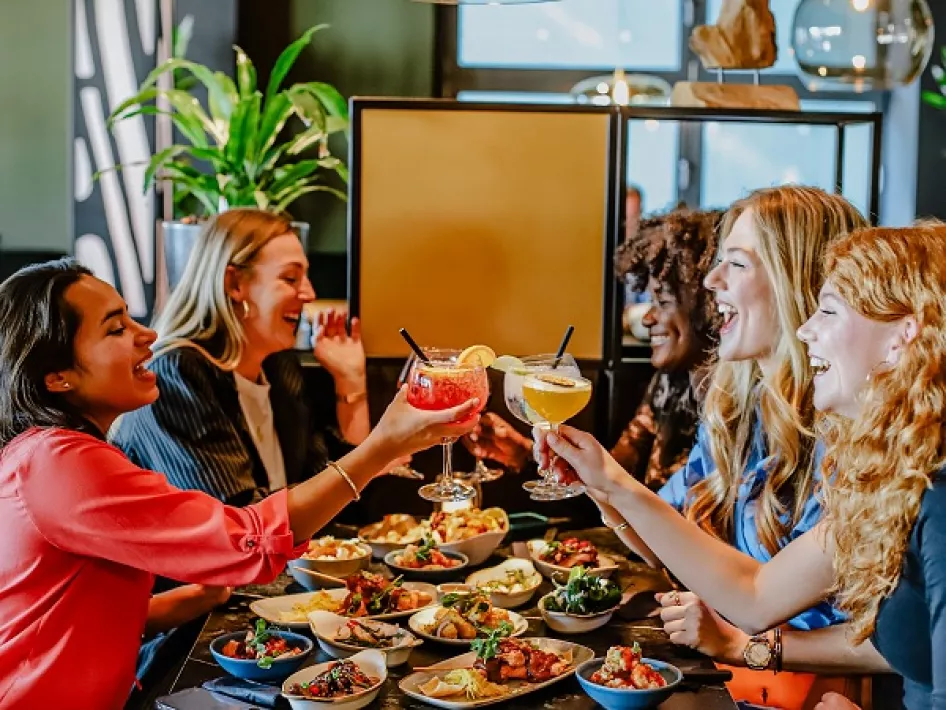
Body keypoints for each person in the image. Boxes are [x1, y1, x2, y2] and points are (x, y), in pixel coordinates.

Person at [0, 259, 480, 709]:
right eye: (116, 328)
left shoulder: (49, 453)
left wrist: (185, 599)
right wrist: (379, 448)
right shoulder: (60, 462)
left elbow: (58, 608)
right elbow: (248, 540)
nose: (147, 334)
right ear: (57, 376)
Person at [542, 225, 946, 709]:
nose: (805, 329)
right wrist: (605, 481)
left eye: (830, 310)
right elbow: (755, 594)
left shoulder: (938, 500)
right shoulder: (892, 477)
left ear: (904, 336)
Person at [113, 209, 388, 505]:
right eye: (291, 278)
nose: (309, 293)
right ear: (235, 284)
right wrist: (377, 452)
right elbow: (239, 520)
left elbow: (344, 502)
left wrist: (351, 381)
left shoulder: (278, 366)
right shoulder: (176, 374)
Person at [463, 208, 724, 490]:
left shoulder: (735, 407)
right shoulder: (671, 381)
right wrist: (526, 453)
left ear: (709, 305)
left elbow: (676, 516)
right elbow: (611, 477)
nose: (647, 317)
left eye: (662, 302)